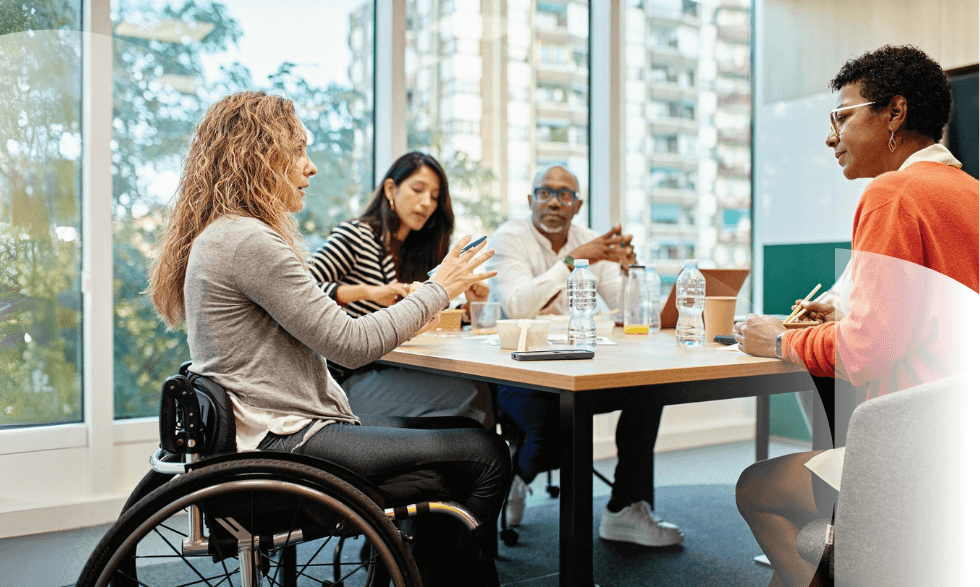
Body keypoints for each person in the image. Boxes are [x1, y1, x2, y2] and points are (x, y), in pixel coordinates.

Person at [146, 91, 511, 587]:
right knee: (485, 453)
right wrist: (438, 289)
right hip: (287, 441)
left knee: (454, 442)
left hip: (267, 431)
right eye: (298, 150)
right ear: (258, 154)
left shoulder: (222, 234)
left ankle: (414, 568)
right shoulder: (250, 241)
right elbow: (351, 344)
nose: (311, 167)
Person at [734, 46, 978, 587]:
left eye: (841, 118)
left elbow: (866, 353)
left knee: (755, 489)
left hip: (916, 456)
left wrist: (778, 341)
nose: (830, 138)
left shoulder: (894, 193)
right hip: (966, 443)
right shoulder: (971, 193)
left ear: (894, 112)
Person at [486, 164, 685, 547]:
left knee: (649, 389)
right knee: (550, 434)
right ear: (530, 200)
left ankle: (623, 509)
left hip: (581, 362)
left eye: (565, 195)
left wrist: (629, 273)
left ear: (578, 205)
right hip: (519, 370)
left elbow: (628, 315)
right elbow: (516, 306)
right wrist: (573, 261)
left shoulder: (592, 240)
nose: (554, 202)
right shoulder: (510, 237)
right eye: (545, 192)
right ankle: (515, 477)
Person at [309, 152, 494, 427]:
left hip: (391, 367)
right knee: (470, 396)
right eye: (418, 190)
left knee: (476, 389)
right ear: (390, 189)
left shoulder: (422, 253)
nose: (426, 203)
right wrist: (369, 292)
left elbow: (434, 321)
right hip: (339, 378)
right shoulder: (356, 236)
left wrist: (470, 305)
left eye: (434, 197)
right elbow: (303, 289)